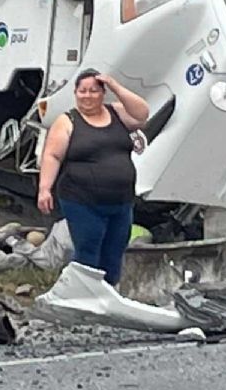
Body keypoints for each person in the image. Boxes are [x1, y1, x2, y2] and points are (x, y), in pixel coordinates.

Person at [36, 69, 149, 286]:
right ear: (75, 93)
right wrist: (44, 189)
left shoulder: (116, 113)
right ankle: (84, 295)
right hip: (81, 199)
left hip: (121, 200)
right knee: (89, 248)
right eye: (82, 91)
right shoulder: (68, 121)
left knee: (115, 249)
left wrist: (115, 85)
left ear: (103, 94)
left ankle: (110, 295)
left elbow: (142, 114)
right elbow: (52, 155)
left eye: (94, 91)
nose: (87, 96)